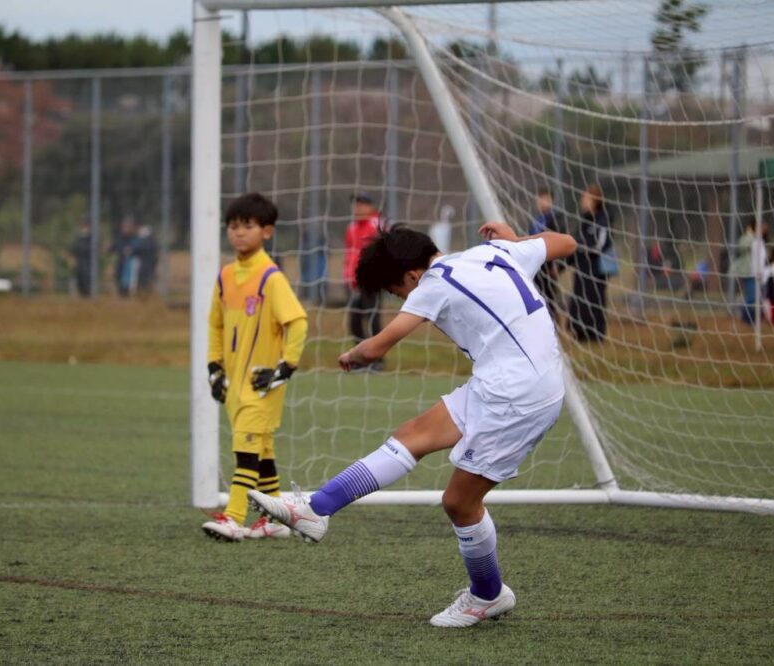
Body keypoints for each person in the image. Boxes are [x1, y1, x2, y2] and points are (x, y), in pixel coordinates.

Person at [249, 221, 577, 627]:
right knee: (411, 436)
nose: (404, 298)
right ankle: (315, 510)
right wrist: (514, 241)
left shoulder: (431, 283)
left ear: (410, 276)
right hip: (507, 382)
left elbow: (379, 345)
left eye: (397, 292)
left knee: (459, 503)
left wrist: (355, 354)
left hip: (517, 397)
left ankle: (488, 594)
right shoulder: (494, 253)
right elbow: (566, 243)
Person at [201, 192, 309, 542]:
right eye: (233, 225)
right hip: (234, 382)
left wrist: (285, 367)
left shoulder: (270, 278)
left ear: (267, 231)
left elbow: (298, 322)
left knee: (245, 449)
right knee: (260, 449)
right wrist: (214, 366)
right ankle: (275, 518)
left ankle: (234, 517)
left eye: (247, 225)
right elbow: (216, 325)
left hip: (262, 383)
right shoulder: (225, 277)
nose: (238, 232)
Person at [343, 192, 387, 367]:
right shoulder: (351, 228)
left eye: (361, 205)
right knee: (354, 320)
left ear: (370, 207)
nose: (357, 208)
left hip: (372, 281)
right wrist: (347, 275)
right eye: (355, 205)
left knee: (373, 319)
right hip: (354, 282)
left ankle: (377, 360)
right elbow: (349, 254)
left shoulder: (377, 225)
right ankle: (360, 359)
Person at [568, 184, 612, 343]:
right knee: (579, 296)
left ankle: (595, 333)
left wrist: (583, 247)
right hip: (582, 266)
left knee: (595, 298)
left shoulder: (603, 219)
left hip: (596, 268)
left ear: (595, 200)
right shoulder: (584, 219)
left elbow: (600, 244)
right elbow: (575, 240)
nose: (583, 201)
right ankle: (579, 330)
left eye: (586, 198)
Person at [530, 188, 564, 315]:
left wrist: (557, 264)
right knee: (535, 293)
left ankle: (552, 320)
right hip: (535, 264)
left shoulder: (556, 219)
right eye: (540, 199)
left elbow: (560, 241)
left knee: (549, 295)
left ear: (551, 202)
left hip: (548, 264)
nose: (542, 202)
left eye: (546, 199)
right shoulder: (535, 220)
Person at [71, 222, 93, 297]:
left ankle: (88, 294)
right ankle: (82, 294)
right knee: (80, 279)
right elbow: (74, 248)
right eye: (83, 226)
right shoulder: (78, 237)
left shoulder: (91, 238)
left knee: (87, 279)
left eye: (86, 226)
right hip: (79, 260)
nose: (84, 229)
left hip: (88, 261)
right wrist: (73, 258)